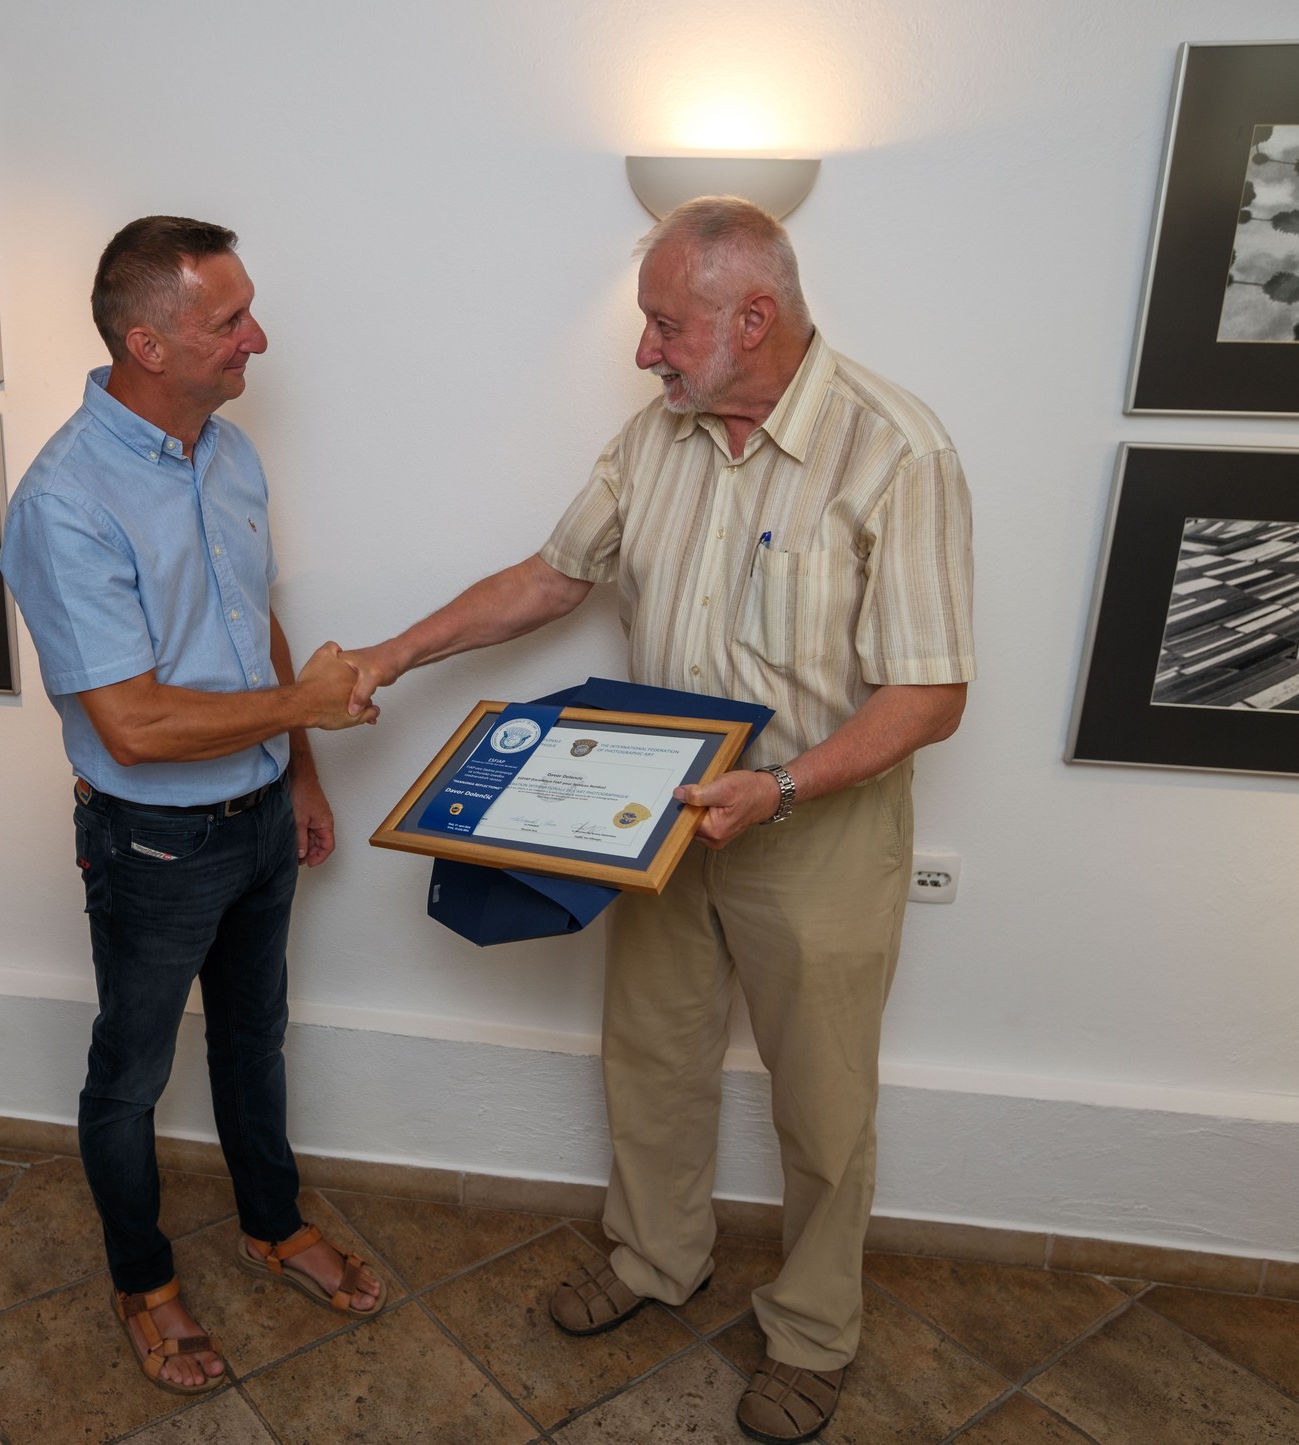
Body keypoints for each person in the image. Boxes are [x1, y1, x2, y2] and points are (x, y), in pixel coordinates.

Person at [342, 196, 973, 1443]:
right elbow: (553, 576)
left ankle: (812, 1330)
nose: (645, 351)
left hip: (815, 823)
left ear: (755, 316)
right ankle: (653, 1256)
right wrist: (395, 652)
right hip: (658, 818)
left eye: (665, 325)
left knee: (824, 1103)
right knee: (651, 1056)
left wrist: (782, 787)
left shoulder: (898, 450)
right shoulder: (656, 435)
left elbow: (931, 693)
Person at [0, 215, 384, 1396]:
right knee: (130, 1076)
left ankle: (272, 1221)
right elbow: (134, 723)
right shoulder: (65, 500)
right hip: (153, 842)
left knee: (255, 1038)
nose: (257, 338)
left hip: (261, 816)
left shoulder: (228, 452)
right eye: (231, 320)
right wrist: (305, 704)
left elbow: (250, 616)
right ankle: (144, 1280)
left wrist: (300, 766)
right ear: (148, 343)